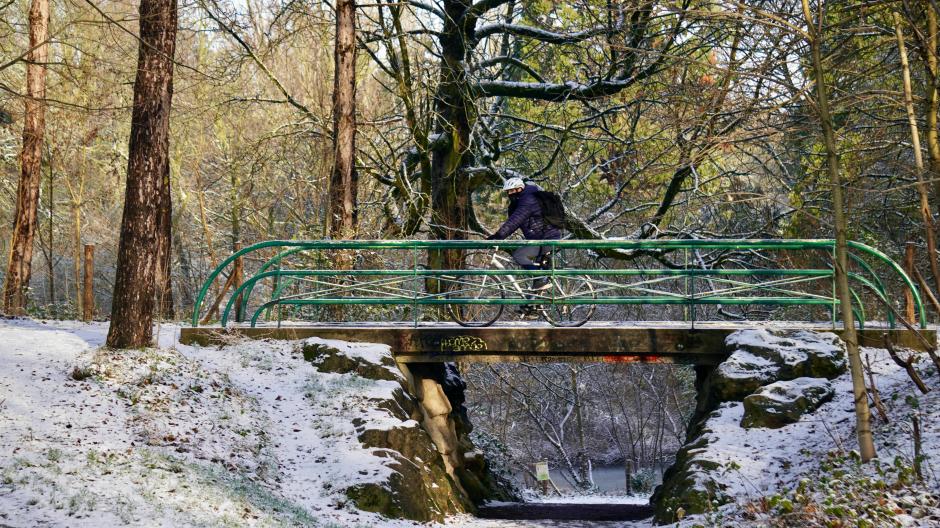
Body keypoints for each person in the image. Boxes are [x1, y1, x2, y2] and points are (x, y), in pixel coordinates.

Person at [486, 177, 561, 293]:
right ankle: (531, 306)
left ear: (519, 189)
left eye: (512, 191)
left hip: (547, 239)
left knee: (519, 255)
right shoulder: (523, 200)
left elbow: (514, 221)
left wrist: (498, 236)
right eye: (508, 192)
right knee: (538, 274)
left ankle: (541, 279)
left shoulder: (528, 201)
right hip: (542, 238)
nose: (510, 194)